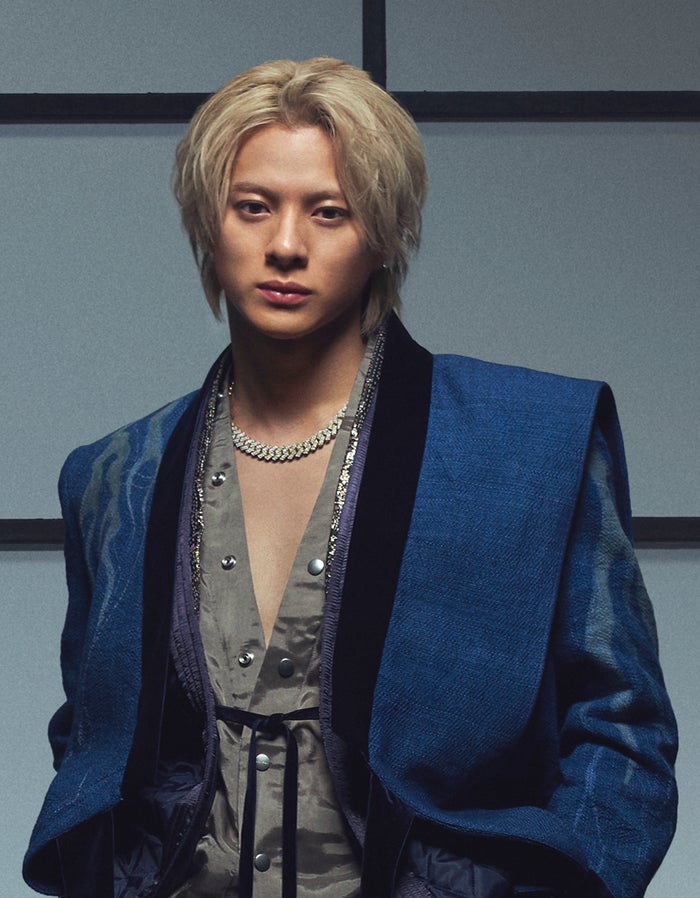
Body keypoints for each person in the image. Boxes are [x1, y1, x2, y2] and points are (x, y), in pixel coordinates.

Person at [24, 57, 677, 898]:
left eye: (329, 212)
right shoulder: (115, 476)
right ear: (207, 223)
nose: (286, 246)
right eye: (253, 206)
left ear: (383, 235)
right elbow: (93, 742)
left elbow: (623, 732)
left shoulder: (532, 444)